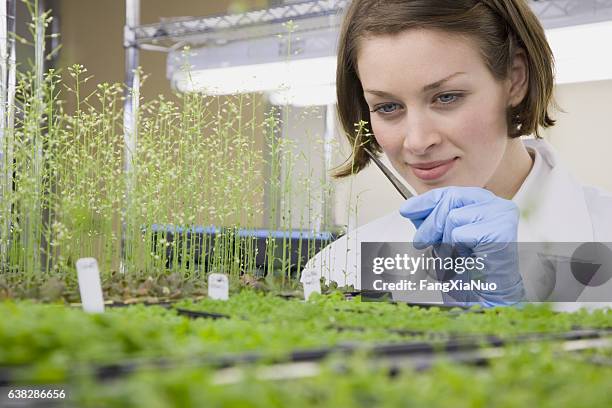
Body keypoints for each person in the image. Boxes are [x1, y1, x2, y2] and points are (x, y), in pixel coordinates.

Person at [300, 0, 612, 309]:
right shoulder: (340, 268)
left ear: (515, 79)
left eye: (447, 97)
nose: (418, 142)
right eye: (388, 107)